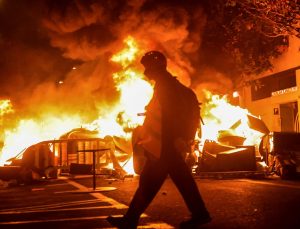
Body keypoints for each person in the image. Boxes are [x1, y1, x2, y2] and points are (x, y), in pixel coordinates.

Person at [107, 51, 211, 229]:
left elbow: (169, 119)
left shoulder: (166, 87)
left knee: (153, 182)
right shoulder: (167, 85)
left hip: (164, 147)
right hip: (166, 147)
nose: (145, 71)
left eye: (147, 67)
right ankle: (199, 214)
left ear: (155, 66)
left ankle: (130, 220)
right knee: (174, 181)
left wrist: (165, 145)